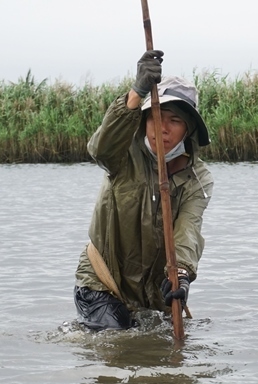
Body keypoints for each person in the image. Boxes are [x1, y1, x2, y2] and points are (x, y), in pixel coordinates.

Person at [74, 50, 214, 330]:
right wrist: (136, 93)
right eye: (156, 117)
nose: (162, 128)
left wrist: (181, 274)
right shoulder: (123, 152)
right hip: (102, 282)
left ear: (188, 130)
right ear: (144, 120)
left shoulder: (198, 178)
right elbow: (99, 149)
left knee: (163, 357)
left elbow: (188, 230)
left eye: (174, 121)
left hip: (153, 292)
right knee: (116, 336)